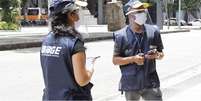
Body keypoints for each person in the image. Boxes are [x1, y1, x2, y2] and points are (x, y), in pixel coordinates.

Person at [40, 0, 95, 100]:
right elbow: (82, 80)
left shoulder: (46, 40)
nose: (79, 15)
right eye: (77, 11)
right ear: (70, 15)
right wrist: (90, 68)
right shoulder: (74, 43)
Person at [112, 0, 164, 101]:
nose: (143, 14)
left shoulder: (154, 32)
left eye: (143, 11)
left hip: (151, 82)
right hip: (131, 84)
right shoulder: (120, 36)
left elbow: (161, 54)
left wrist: (157, 55)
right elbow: (115, 60)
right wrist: (133, 59)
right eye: (139, 12)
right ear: (131, 15)